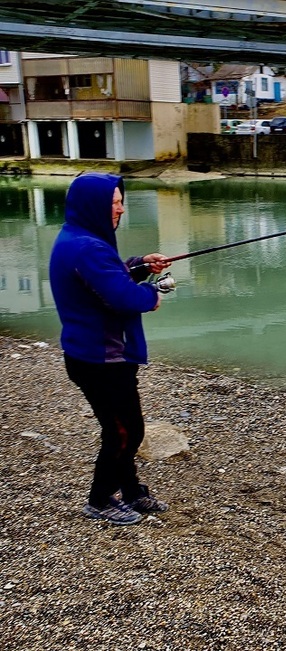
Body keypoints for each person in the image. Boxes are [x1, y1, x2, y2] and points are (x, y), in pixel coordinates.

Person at [49, 173, 172, 525]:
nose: (120, 209)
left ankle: (130, 491)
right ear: (94, 206)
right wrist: (152, 294)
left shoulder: (80, 238)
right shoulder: (88, 247)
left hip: (98, 356)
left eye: (121, 201)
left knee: (125, 427)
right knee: (123, 431)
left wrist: (140, 265)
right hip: (99, 360)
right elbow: (123, 297)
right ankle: (100, 499)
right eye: (114, 203)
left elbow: (107, 276)